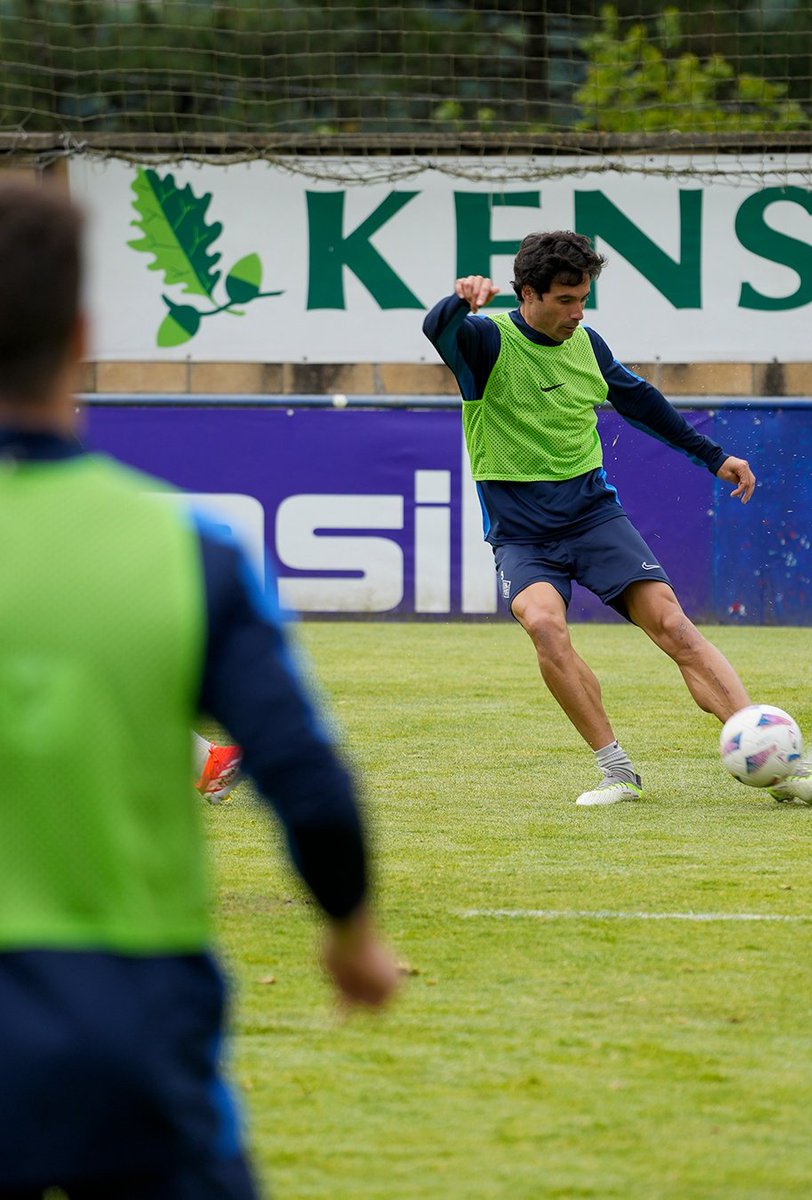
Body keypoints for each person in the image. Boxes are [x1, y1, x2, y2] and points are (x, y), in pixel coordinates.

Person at [0, 179, 398, 1198]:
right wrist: (349, 935)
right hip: (125, 1019)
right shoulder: (186, 550)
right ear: (83, 332)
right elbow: (305, 780)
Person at [423, 230, 812, 808]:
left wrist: (715, 458)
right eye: (565, 301)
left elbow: (644, 405)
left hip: (594, 518)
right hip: (522, 534)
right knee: (544, 625)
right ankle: (616, 771)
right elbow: (437, 331)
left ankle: (775, 763)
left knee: (672, 625)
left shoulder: (588, 346)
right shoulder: (485, 343)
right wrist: (459, 302)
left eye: (583, 299)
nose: (577, 312)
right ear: (527, 294)